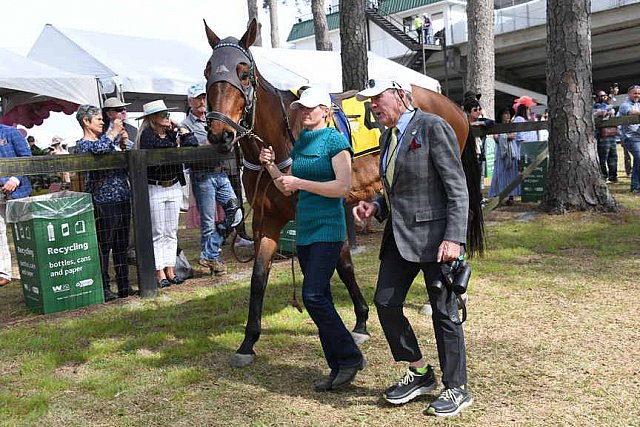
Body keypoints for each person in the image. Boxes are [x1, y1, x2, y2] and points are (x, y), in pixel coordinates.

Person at [353, 79, 472, 417]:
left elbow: (456, 187)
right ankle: (419, 372)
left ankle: (457, 388)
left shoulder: (433, 126)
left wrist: (454, 238)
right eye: (370, 102)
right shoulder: (386, 136)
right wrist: (375, 205)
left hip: (437, 240)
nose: (373, 106)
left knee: (444, 311)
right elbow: (395, 187)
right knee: (385, 302)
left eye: (378, 99)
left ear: (399, 94)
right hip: (399, 236)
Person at [258, 86, 366, 392]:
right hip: (305, 231)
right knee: (322, 299)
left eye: (310, 108)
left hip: (328, 230)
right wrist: (268, 165)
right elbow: (286, 188)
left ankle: (349, 357)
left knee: (313, 296)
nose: (304, 112)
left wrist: (301, 181)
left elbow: (343, 188)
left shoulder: (335, 141)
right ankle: (338, 365)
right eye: (301, 108)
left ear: (325, 111)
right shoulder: (303, 141)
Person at [179, 84, 244, 276]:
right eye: (197, 98)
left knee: (236, 212)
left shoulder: (215, 119)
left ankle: (209, 252)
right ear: (189, 101)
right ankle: (213, 259)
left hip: (220, 172)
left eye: (203, 98)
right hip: (203, 175)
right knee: (207, 221)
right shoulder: (185, 125)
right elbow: (188, 150)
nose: (201, 102)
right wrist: (209, 144)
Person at [75, 105, 135, 301]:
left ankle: (124, 285)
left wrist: (124, 141)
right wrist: (113, 132)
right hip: (102, 201)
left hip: (122, 197)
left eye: (103, 119)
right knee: (104, 246)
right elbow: (98, 150)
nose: (102, 122)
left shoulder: (109, 142)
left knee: (121, 244)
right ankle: (104, 287)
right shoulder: (83, 144)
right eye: (98, 119)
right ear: (86, 121)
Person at [137, 100, 194, 288]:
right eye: (163, 115)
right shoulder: (147, 136)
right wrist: (175, 139)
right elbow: (160, 149)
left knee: (171, 231)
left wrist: (182, 131)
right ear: (152, 118)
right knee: (158, 232)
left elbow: (191, 144)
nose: (167, 117)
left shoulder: (171, 133)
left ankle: (170, 269)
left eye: (167, 114)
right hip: (156, 186)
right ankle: (158, 271)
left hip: (174, 185)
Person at [0, 125, 32, 288]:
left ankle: (34, 270)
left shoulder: (11, 132)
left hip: (19, 192)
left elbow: (26, 158)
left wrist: (15, 179)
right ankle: (3, 273)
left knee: (26, 233)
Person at [489, 107, 520, 205]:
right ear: (501, 115)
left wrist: (503, 136)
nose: (507, 115)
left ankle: (511, 196)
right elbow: (496, 138)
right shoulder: (497, 126)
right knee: (500, 173)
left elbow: (513, 136)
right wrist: (506, 137)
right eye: (505, 113)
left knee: (512, 173)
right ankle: (500, 196)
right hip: (500, 153)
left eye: (509, 113)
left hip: (512, 151)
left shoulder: (512, 125)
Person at [593, 91, 618, 183]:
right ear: (596, 97)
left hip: (612, 134)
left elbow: (609, 108)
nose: (604, 97)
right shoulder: (595, 106)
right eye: (601, 96)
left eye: (605, 96)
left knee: (613, 156)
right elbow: (600, 113)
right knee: (603, 157)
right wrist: (602, 113)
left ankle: (613, 176)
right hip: (602, 135)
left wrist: (610, 112)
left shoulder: (607, 106)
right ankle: (603, 176)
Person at [619, 85, 640, 193]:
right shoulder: (624, 105)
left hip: (639, 136)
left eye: (639, 93)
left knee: (638, 160)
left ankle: (636, 186)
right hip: (630, 138)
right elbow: (631, 112)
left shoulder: (639, 105)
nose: (637, 95)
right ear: (629, 94)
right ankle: (635, 186)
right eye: (635, 93)